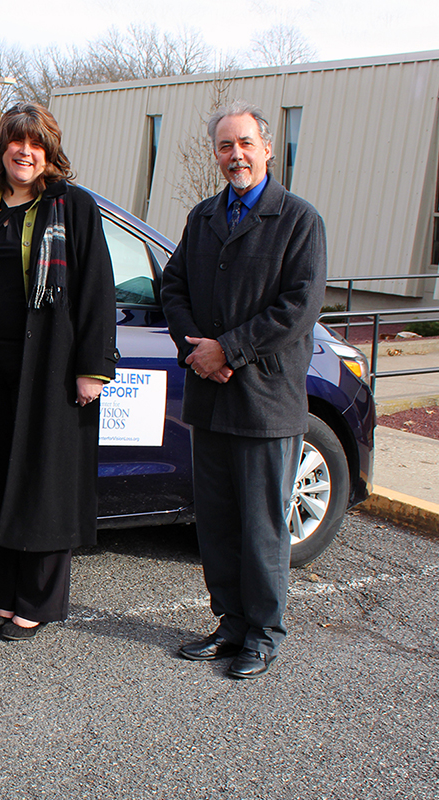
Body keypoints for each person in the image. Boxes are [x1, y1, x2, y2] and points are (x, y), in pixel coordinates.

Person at [0, 103, 118, 641]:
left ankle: (37, 600)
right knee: (1, 484)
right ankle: (7, 595)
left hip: (48, 372)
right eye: (17, 142)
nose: (26, 152)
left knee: (42, 485)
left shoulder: (72, 207)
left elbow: (97, 291)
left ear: (49, 152)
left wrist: (93, 369)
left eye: (36, 144)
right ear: (2, 148)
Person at [160, 101, 326, 679]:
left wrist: (227, 349)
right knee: (218, 522)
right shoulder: (203, 217)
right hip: (210, 397)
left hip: (264, 401)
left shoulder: (299, 220)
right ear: (216, 153)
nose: (236, 155)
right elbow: (172, 286)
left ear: (267, 149)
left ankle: (263, 633)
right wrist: (195, 347)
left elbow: (298, 308)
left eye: (246, 144)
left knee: (261, 526)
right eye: (226, 146)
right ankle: (229, 623)